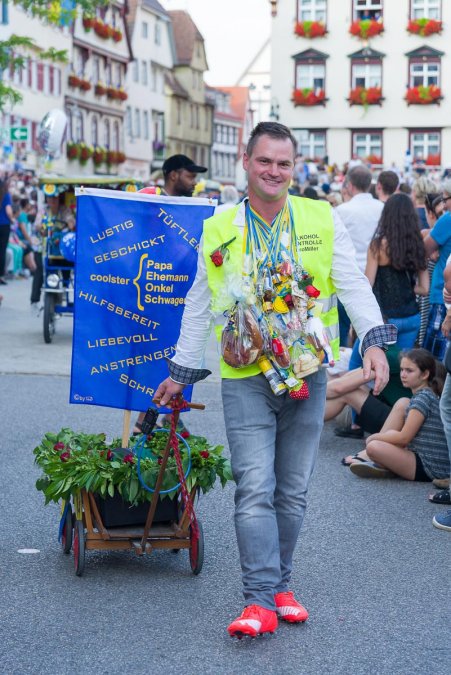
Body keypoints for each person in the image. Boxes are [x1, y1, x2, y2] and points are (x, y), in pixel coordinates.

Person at [154, 122, 395, 638]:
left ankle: (281, 585)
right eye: (264, 161)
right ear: (246, 161)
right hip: (245, 373)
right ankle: (259, 599)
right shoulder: (220, 225)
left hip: (306, 372)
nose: (274, 171)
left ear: (293, 167)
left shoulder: (320, 216)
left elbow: (351, 283)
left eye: (283, 163)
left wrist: (374, 341)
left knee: (292, 490)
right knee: (255, 485)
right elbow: (199, 302)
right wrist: (181, 372)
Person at [132, 154, 207, 436]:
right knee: (153, 360)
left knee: (178, 355)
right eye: (190, 175)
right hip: (152, 293)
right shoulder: (150, 198)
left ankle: (166, 416)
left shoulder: (193, 208)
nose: (195, 182)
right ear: (173, 175)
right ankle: (143, 424)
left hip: (181, 296)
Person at [350, 349, 449, 481]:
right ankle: (389, 467)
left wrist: (374, 437)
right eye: (402, 370)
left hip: (430, 467)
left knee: (373, 446)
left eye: (409, 371)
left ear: (425, 374)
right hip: (427, 461)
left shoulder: (423, 398)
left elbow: (404, 438)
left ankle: (389, 467)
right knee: (382, 441)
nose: (403, 374)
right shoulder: (425, 395)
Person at [325, 344, 411, 452]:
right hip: (396, 414)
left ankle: (305, 421)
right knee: (353, 387)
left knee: (349, 393)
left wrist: (310, 393)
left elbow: (339, 388)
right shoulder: (386, 350)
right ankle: (306, 421)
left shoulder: (386, 356)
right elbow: (348, 378)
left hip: (398, 422)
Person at [336, 165, 384, 346]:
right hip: (377, 275)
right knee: (372, 327)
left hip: (349, 275)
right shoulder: (382, 207)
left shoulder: (343, 210)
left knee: (343, 327)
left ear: (349, 185)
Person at [422, 181, 451, 359]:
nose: (444, 205)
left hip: (443, 293)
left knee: (433, 359)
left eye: (445, 199)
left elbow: (423, 250)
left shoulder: (447, 219)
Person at [0, 178, 13, 285]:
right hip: (4, 225)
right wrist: (12, 219)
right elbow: (8, 211)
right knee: (2, 250)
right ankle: (1, 275)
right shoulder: (6, 195)